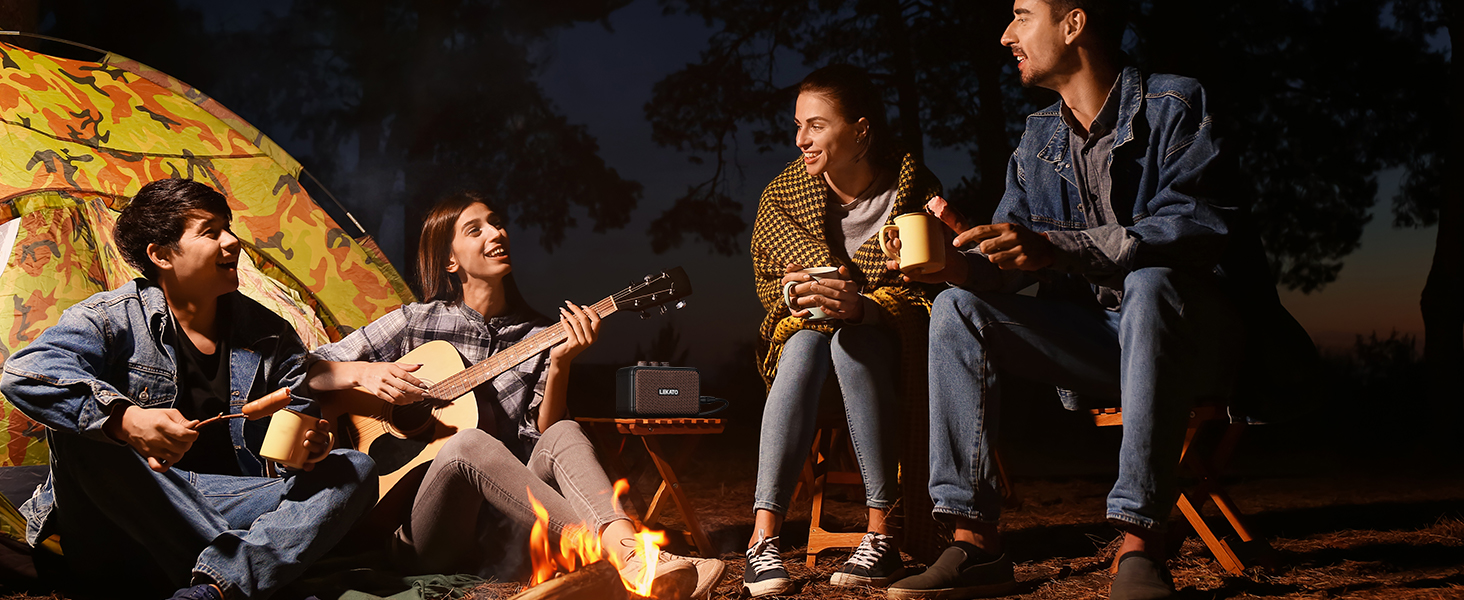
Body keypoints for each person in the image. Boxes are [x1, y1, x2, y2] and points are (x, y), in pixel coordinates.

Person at [885, 1, 1311, 599]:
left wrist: (1057, 248)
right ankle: (973, 544)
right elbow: (1010, 269)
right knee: (957, 308)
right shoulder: (1037, 142)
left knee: (1150, 281)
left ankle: (1141, 543)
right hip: (1109, 343)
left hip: (1203, 343)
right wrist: (957, 263)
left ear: (1073, 23)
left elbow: (1197, 223)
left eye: (1022, 15)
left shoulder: (1176, 104)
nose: (1006, 34)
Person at [305, 192, 725, 599]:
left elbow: (541, 437)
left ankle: (630, 552)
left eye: (497, 223)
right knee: (467, 442)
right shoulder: (415, 322)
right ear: (449, 260)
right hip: (422, 531)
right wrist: (363, 373)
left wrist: (560, 364)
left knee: (562, 430)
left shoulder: (539, 336)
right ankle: (632, 557)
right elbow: (306, 370)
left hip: (507, 527)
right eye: (475, 229)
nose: (496, 233)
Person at [0, 179, 377, 600]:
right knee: (81, 431)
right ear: (161, 254)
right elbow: (24, 373)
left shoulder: (270, 335)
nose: (232, 242)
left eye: (228, 228)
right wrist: (126, 420)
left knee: (352, 469)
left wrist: (311, 449)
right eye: (211, 231)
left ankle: (211, 589)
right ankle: (243, 575)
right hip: (130, 509)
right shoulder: (111, 317)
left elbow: (294, 444)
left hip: (230, 499)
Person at [743, 64, 943, 597]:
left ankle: (880, 536)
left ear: (859, 131)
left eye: (816, 126)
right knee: (805, 343)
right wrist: (797, 295)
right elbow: (770, 289)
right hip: (807, 373)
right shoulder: (783, 196)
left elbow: (931, 293)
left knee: (853, 342)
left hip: (886, 363)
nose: (800, 140)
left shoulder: (915, 189)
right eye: (797, 126)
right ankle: (763, 541)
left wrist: (864, 309)